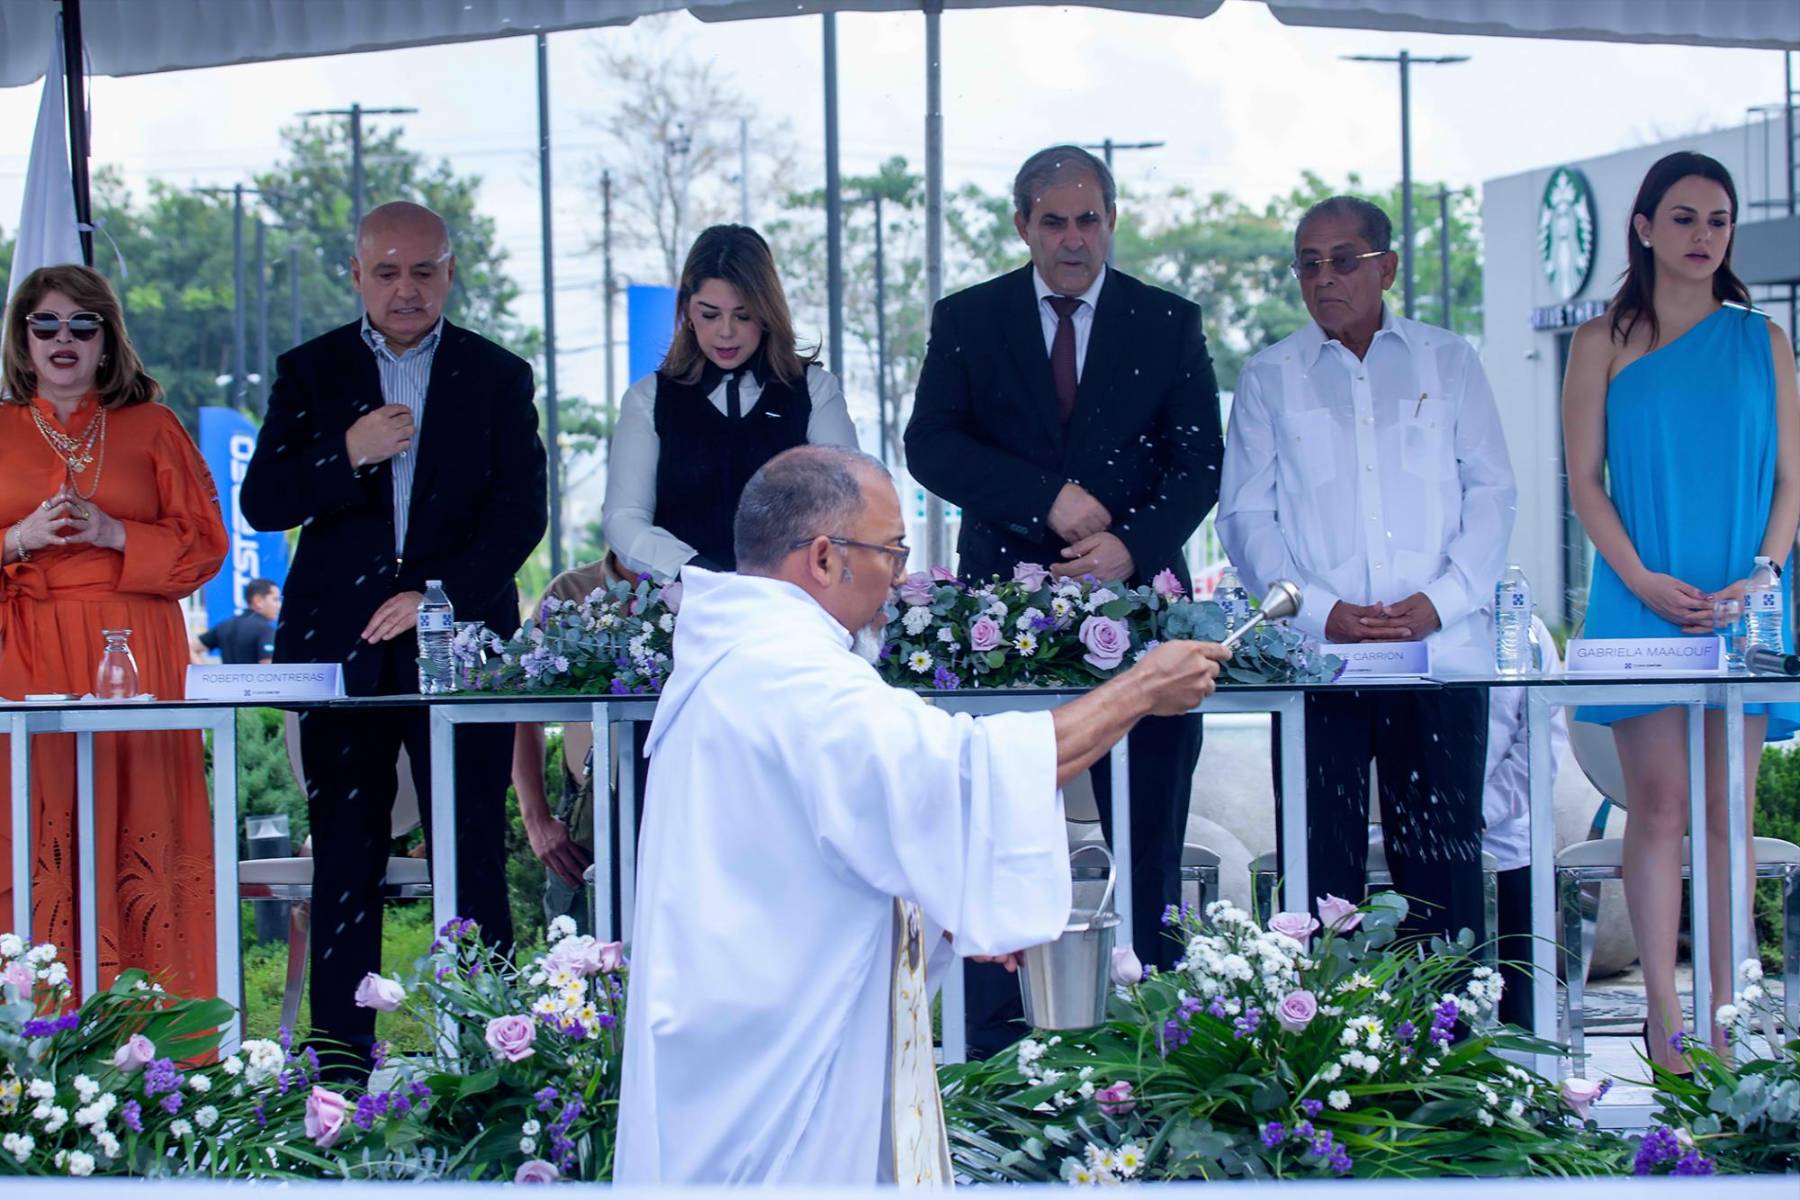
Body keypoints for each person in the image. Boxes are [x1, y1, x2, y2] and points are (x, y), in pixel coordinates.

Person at [615, 445, 1230, 1185]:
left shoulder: (739, 657)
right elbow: (964, 777)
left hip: (738, 1026)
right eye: (890, 548)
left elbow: (830, 838)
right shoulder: (790, 675)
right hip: (771, 1060)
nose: (901, 574)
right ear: (821, 557)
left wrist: (942, 907)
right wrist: (1138, 691)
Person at [905, 145, 1223, 1057]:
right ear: (1022, 225)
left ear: (1111, 220)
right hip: (1002, 620)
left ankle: (1159, 1037)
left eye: (1089, 219)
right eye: (1054, 220)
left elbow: (1200, 462)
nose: (1073, 238)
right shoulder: (969, 320)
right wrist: (1044, 496)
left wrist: (1131, 546)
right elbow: (929, 444)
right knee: (1000, 826)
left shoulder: (1167, 322)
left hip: (1142, 615)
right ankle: (993, 1048)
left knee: (1149, 831)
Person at [240, 200, 548, 1074]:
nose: (406, 289)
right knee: (345, 849)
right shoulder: (311, 371)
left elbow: (524, 512)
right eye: (388, 272)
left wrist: (437, 596)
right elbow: (264, 501)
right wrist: (349, 450)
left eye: (424, 270)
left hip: (462, 643)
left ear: (450, 272)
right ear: (358, 276)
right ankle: (337, 1066)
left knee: (471, 846)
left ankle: (491, 1056)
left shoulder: (497, 374)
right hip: (338, 645)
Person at [1217, 195, 1516, 951]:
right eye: (1308, 264)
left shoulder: (1449, 363)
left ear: (1387, 267)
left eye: (1344, 260)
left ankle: (1448, 1052)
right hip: (1322, 659)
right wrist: (1320, 611)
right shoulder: (1268, 376)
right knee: (1320, 873)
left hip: (1439, 657)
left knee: (1443, 868)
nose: (1325, 278)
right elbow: (1247, 518)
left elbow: (1493, 493)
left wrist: (1438, 602)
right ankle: (1329, 1047)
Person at [1562, 151, 1800, 1071]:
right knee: (1659, 808)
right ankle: (1666, 1021)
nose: (1705, 236)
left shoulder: (1763, 340)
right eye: (1687, 217)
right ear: (1645, 226)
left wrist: (1765, 573)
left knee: (1726, 810)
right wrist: (1644, 582)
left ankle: (1730, 1017)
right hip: (1638, 597)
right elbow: (1585, 484)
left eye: (1720, 220)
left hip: (1746, 605)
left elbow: (1791, 480)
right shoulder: (1600, 341)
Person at [0, 264, 229, 997]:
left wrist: (114, 531)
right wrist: (20, 537)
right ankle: (38, 1030)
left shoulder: (153, 426)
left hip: (135, 649)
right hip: (27, 648)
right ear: (23, 339)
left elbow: (206, 547)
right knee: (40, 826)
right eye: (46, 325)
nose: (62, 339)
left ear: (107, 340)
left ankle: (160, 1037)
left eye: (81, 325)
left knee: (143, 818)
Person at [601, 223, 858, 580]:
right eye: (709, 314)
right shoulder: (648, 400)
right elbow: (623, 518)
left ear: (768, 313)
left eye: (743, 315)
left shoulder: (816, 392)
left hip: (793, 608)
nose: (725, 331)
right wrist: (693, 572)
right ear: (688, 312)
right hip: (683, 610)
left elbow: (851, 500)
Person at [1480, 615, 1567, 1029]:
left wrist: (1481, 810)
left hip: (1507, 837)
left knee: (1522, 1013)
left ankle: (1525, 1075)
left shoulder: (1523, 630)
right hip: (1408, 838)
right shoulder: (1395, 624)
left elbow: (1543, 743)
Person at [191, 576, 281, 664]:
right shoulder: (265, 629)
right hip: (255, 679)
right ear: (258, 601)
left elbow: (190, 648)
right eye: (275, 599)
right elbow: (268, 666)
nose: (279, 605)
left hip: (227, 678)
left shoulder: (224, 626)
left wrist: (206, 676)